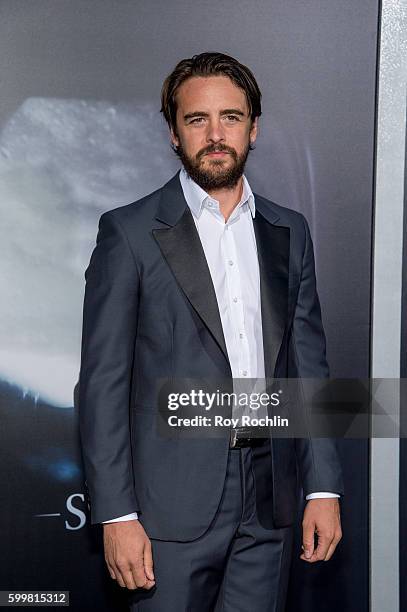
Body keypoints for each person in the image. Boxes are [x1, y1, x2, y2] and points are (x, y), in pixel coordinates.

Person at [78, 51, 344, 611]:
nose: (216, 134)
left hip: (270, 499)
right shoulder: (129, 232)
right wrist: (117, 515)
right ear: (174, 134)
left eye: (231, 117)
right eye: (197, 119)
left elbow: (308, 370)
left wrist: (321, 488)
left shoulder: (288, 232)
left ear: (254, 128)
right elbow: (102, 384)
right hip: (166, 509)